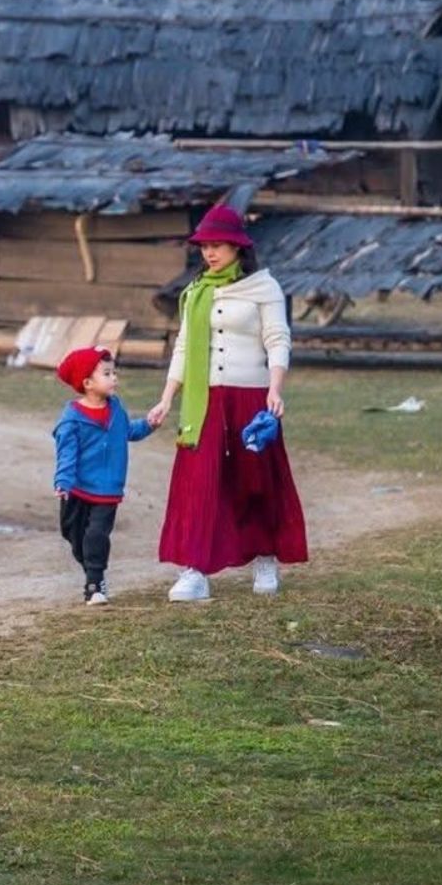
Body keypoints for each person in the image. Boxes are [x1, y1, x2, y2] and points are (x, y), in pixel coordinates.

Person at [146, 205, 306, 602]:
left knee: (256, 478)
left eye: (218, 245)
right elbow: (184, 346)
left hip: (250, 396)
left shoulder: (264, 287)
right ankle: (195, 570)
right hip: (205, 402)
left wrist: (275, 388)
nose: (210, 253)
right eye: (205, 246)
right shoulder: (197, 290)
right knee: (201, 482)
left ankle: (265, 555)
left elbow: (277, 339)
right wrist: (167, 397)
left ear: (238, 247)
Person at [52, 345, 157, 606]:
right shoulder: (71, 420)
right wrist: (63, 481)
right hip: (76, 489)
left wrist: (149, 424)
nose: (115, 378)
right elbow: (66, 454)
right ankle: (92, 569)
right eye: (107, 374)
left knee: (96, 535)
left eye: (114, 372)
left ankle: (94, 584)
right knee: (73, 534)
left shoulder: (116, 409)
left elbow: (127, 432)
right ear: (87, 383)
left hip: (107, 489)